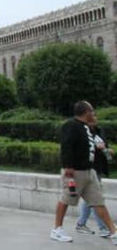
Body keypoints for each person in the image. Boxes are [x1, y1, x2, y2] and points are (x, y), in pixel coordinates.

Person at [50, 101, 117, 243]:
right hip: (74, 172)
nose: (94, 114)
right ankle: (57, 229)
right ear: (86, 112)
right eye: (92, 111)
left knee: (98, 202)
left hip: (89, 172)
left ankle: (113, 232)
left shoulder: (87, 127)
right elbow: (66, 146)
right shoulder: (71, 125)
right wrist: (68, 167)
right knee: (66, 199)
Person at [76, 115, 114, 238]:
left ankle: (81, 224)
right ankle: (103, 228)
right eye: (92, 116)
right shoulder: (83, 132)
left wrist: (108, 150)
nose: (95, 118)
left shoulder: (99, 130)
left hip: (98, 168)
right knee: (96, 198)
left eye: (95, 116)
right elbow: (81, 149)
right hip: (88, 168)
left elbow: (104, 145)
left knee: (91, 198)